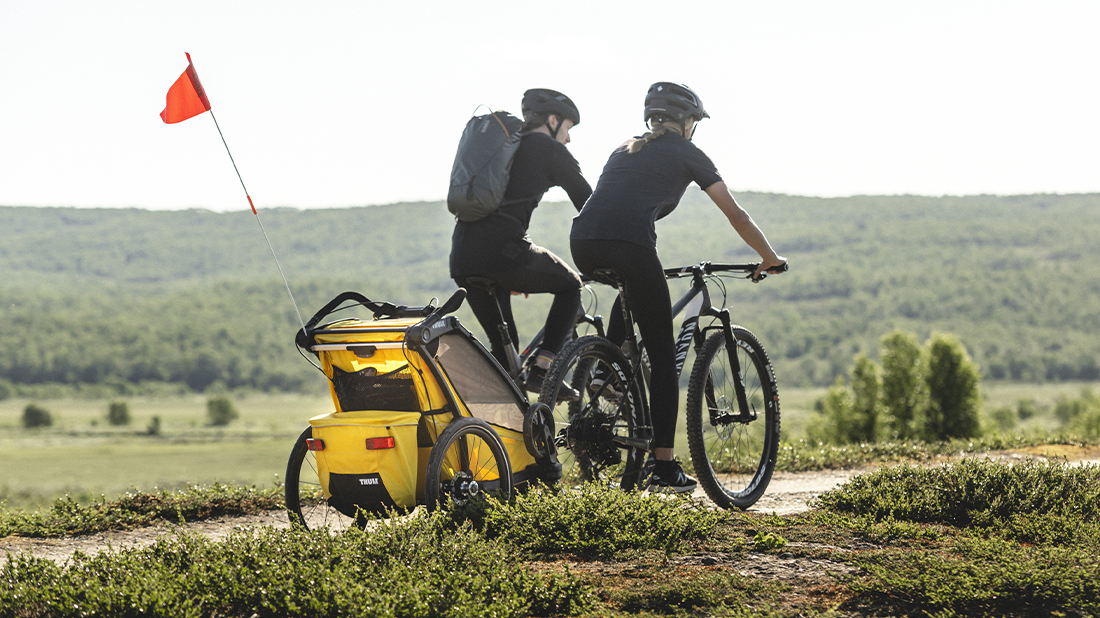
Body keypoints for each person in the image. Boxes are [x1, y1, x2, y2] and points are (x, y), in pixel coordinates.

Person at [569, 82, 787, 493]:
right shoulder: (689, 153)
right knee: (664, 360)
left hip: (582, 242)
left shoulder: (625, 147)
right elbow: (736, 214)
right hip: (630, 246)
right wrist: (769, 257)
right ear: (687, 122)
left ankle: (605, 371)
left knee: (628, 290)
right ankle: (665, 469)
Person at [450, 88, 593, 394]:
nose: (568, 138)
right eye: (568, 129)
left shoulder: (507, 144)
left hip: (463, 256)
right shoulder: (549, 149)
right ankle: (544, 369)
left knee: (506, 358)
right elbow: (590, 206)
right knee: (571, 286)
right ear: (553, 120)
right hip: (504, 253)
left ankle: (488, 429)